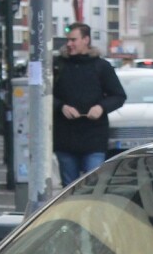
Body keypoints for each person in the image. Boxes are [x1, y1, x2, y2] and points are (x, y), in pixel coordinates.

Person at [53, 23, 126, 186]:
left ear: (86, 40)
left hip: (94, 138)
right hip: (65, 138)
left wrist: (101, 107)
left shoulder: (101, 66)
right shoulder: (58, 65)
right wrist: (61, 107)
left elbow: (119, 96)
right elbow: (45, 96)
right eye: (68, 40)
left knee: (93, 186)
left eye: (74, 40)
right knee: (69, 189)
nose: (69, 44)